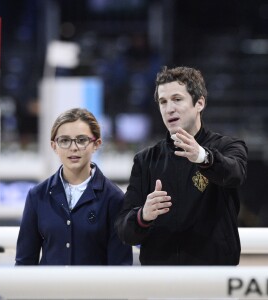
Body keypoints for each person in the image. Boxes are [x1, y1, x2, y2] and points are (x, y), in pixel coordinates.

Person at [115, 66, 248, 265]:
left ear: (199, 103)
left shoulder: (228, 147)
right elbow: (125, 232)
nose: (169, 109)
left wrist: (203, 157)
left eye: (177, 99)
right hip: (162, 285)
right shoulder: (145, 160)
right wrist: (143, 215)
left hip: (214, 282)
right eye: (163, 102)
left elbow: (235, 174)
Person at [16, 108, 133, 265]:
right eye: (64, 141)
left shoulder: (114, 198)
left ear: (96, 144)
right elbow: (24, 263)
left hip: (94, 290)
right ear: (54, 146)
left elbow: (120, 266)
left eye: (81, 140)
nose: (73, 148)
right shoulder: (37, 196)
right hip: (48, 289)